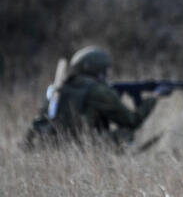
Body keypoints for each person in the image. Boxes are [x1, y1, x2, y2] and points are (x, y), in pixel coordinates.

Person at [22, 46, 169, 150]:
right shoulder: (97, 91)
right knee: (126, 135)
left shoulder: (59, 88)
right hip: (82, 148)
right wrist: (154, 98)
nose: (106, 75)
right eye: (104, 71)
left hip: (50, 146)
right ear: (96, 69)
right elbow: (132, 121)